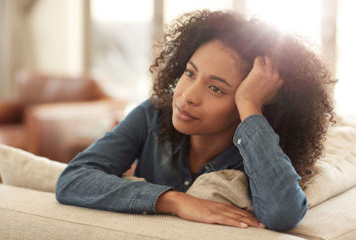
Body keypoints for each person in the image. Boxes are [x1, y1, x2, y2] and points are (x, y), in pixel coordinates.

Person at [55, 10, 336, 231]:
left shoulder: (259, 149)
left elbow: (282, 212)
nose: (187, 96)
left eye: (216, 89)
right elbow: (73, 179)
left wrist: (250, 106)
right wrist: (174, 200)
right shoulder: (152, 115)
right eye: (190, 73)